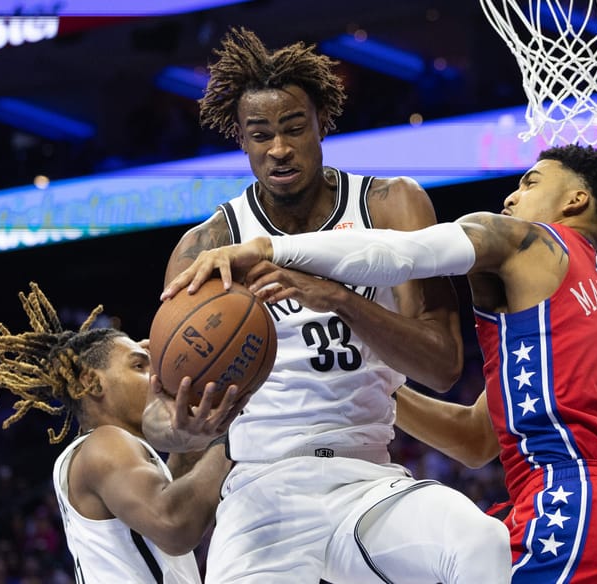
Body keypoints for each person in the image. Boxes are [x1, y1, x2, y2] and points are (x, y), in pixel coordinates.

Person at [163, 143, 597, 583]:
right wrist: (359, 381)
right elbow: (477, 439)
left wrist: (269, 248)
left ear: (575, 199)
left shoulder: (529, 239)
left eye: (531, 181)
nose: (511, 195)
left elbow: (399, 254)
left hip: (570, 506)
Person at [148, 27, 512, 583]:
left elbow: (441, 366)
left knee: (480, 541)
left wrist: (337, 297)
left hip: (369, 480)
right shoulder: (207, 246)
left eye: (294, 128)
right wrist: (186, 428)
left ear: (323, 122)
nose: (279, 148)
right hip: (260, 493)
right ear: (241, 142)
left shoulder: (392, 203)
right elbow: (159, 413)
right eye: (260, 134)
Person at [0, 282, 239, 583]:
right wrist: (236, 433)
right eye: (139, 366)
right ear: (92, 382)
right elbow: (174, 523)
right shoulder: (103, 443)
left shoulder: (108, 454)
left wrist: (196, 438)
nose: (156, 377)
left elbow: (180, 503)